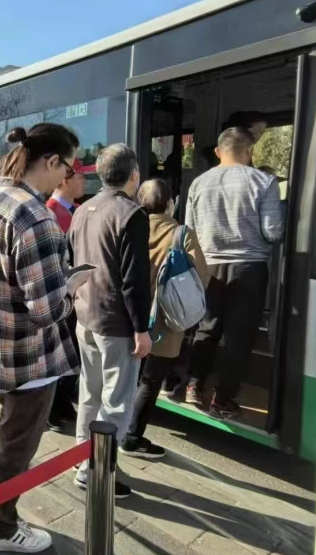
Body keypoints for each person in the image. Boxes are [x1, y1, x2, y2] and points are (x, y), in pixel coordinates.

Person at [0, 123, 81, 555]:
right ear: (51, 161)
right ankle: (0, 528)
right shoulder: (35, 217)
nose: (67, 177)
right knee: (18, 444)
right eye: (68, 168)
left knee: (6, 431)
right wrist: (72, 288)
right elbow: (46, 311)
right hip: (30, 357)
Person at [68, 143, 151, 499]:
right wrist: (142, 329)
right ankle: (96, 471)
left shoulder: (82, 210)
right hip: (117, 323)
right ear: (134, 174)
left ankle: (81, 457)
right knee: (117, 403)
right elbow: (134, 280)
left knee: (90, 393)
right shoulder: (131, 214)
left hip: (85, 315)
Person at [184, 126, 284, 419]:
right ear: (250, 151)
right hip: (248, 268)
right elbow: (273, 231)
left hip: (209, 267)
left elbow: (189, 230)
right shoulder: (264, 182)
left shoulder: (199, 184)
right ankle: (223, 399)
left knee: (206, 327)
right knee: (238, 337)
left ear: (218, 151)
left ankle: (194, 384)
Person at [120, 179, 210, 459]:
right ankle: (132, 437)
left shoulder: (130, 226)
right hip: (164, 321)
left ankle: (118, 428)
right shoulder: (181, 233)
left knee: (129, 377)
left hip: (129, 314)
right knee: (150, 381)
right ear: (171, 203)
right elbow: (201, 276)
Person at [45, 158, 90, 432]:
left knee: (72, 351)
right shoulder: (50, 213)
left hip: (77, 295)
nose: (84, 181)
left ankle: (62, 404)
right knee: (62, 352)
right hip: (62, 296)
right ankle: (54, 408)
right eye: (80, 176)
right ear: (64, 179)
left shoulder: (76, 210)